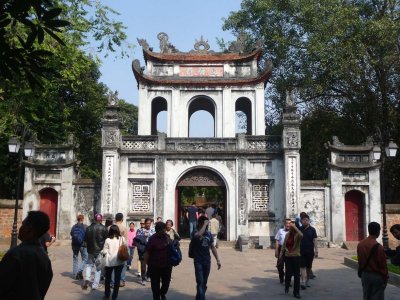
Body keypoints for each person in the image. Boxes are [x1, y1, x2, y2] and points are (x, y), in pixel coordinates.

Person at [0, 211, 53, 300]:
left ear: (29, 229)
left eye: (23, 225)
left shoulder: (15, 255)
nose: (21, 228)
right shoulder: (44, 257)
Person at [192, 216, 221, 300]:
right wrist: (205, 224)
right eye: (206, 224)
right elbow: (198, 235)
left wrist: (218, 260)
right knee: (200, 282)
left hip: (207, 261)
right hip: (198, 261)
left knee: (204, 283)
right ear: (201, 223)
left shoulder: (208, 234)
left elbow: (212, 247)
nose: (208, 226)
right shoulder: (195, 232)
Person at [357, 222, 388, 300]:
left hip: (365, 275)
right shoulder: (379, 247)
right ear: (378, 231)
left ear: (369, 230)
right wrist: (385, 279)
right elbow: (383, 266)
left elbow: (360, 261)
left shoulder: (360, 244)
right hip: (376, 276)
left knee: (366, 296)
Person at [145, 222, 173, 300]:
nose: (165, 230)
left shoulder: (167, 237)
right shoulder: (152, 239)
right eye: (164, 229)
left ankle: (162, 293)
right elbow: (147, 253)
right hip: (154, 266)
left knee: (166, 283)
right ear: (159, 230)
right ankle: (157, 297)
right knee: (155, 286)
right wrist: (147, 265)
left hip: (167, 265)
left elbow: (172, 248)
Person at [83, 213, 108, 290]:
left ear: (94, 219)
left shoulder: (88, 228)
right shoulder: (104, 228)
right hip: (100, 251)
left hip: (90, 250)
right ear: (101, 220)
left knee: (88, 265)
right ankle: (95, 285)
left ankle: (87, 278)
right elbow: (106, 240)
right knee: (98, 268)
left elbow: (85, 240)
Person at [102, 225, 127, 300]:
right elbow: (126, 247)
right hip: (120, 261)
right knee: (117, 280)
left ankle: (107, 295)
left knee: (108, 279)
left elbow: (104, 251)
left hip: (109, 262)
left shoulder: (108, 240)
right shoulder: (122, 239)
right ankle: (114, 297)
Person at [280, 220, 303, 299]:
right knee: (288, 273)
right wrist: (280, 255)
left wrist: (294, 227)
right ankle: (287, 285)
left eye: (291, 225)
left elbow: (301, 234)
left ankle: (296, 292)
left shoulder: (297, 235)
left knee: (297, 275)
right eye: (289, 225)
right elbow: (283, 246)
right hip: (287, 256)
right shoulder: (287, 235)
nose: (289, 226)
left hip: (296, 256)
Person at [299, 214, 318, 290]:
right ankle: (303, 282)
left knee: (308, 267)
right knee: (302, 266)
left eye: (306, 220)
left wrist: (316, 250)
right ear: (301, 221)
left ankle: (307, 281)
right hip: (301, 251)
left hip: (310, 251)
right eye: (303, 220)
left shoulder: (312, 229)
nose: (305, 221)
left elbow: (315, 240)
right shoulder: (299, 229)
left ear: (309, 220)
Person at [136, 217, 155, 285]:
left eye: (149, 223)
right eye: (147, 223)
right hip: (143, 250)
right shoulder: (140, 230)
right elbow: (137, 240)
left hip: (151, 250)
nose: (148, 225)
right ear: (145, 223)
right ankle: (143, 278)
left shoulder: (153, 230)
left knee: (150, 265)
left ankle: (148, 275)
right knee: (143, 265)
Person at [70, 214, 88, 280]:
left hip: (74, 244)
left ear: (77, 219)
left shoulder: (74, 226)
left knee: (75, 258)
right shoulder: (85, 227)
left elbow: (71, 233)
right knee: (85, 258)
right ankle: (79, 271)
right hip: (83, 245)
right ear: (82, 219)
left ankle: (75, 274)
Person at [275, 218, 291, 284]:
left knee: (289, 266)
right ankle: (281, 277)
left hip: (290, 250)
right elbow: (277, 240)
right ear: (284, 224)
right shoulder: (280, 231)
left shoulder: (293, 232)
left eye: (290, 223)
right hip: (281, 249)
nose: (288, 225)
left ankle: (288, 281)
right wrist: (276, 250)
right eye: (287, 223)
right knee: (280, 265)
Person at [115, 213, 128, 287]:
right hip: (121, 247)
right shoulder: (124, 228)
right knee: (123, 265)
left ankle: (113, 281)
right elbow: (125, 240)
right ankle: (122, 280)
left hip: (113, 248)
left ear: (115, 218)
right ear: (122, 219)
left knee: (113, 264)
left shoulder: (111, 227)